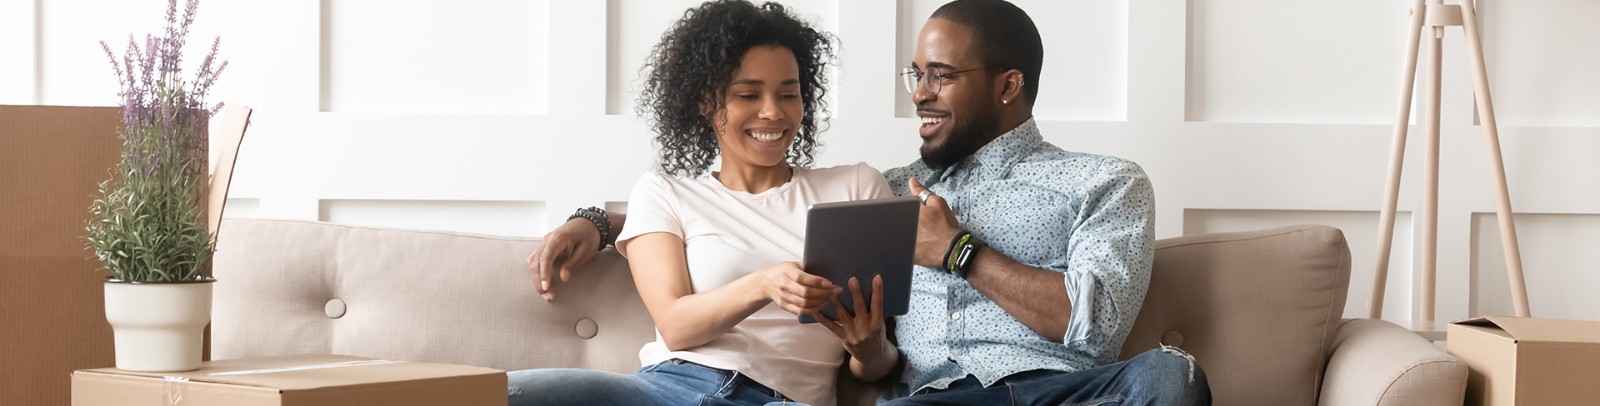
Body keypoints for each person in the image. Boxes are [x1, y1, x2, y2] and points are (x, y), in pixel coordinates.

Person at [529, 0, 1213, 404]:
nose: (918, 93)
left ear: (1008, 86)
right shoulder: (889, 188)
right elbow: (727, 213)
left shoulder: (1104, 181)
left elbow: (1096, 327)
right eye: (917, 75)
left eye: (940, 77)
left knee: (1168, 374)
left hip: (1058, 391)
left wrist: (958, 251)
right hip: (931, 399)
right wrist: (600, 221)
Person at [508, 1, 897, 405]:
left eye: (789, 94)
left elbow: (878, 362)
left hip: (782, 398)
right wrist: (764, 283)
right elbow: (675, 324)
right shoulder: (664, 192)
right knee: (491, 393)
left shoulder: (856, 188)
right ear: (704, 101)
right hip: (665, 389)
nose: (773, 111)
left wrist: (869, 351)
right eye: (748, 94)